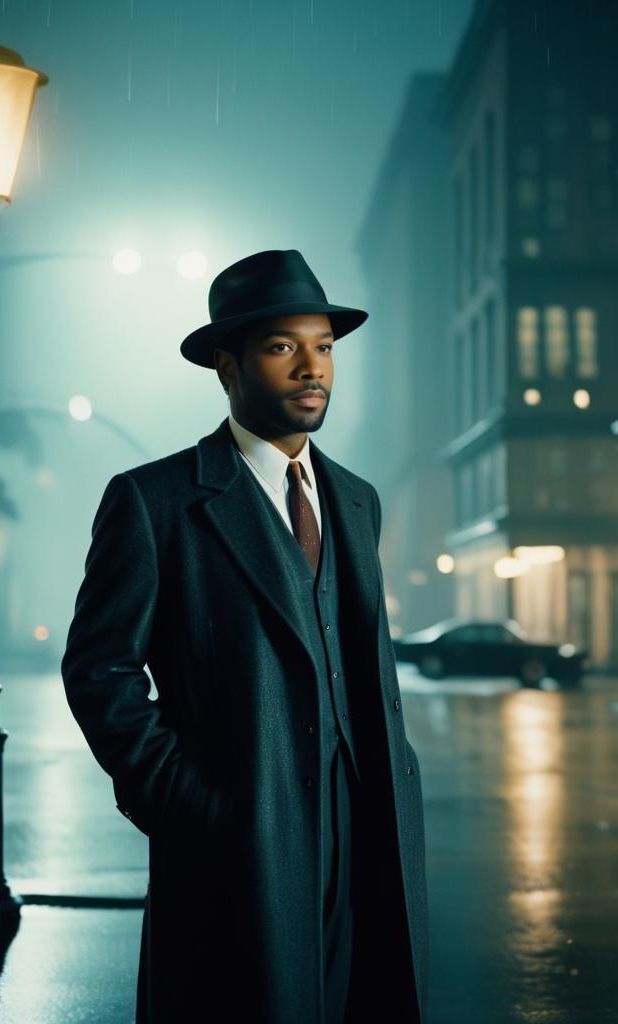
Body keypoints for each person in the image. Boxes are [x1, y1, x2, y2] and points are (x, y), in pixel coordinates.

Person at [61, 249, 428, 1023]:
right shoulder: (155, 501)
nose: (311, 368)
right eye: (281, 347)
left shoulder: (356, 501)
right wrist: (186, 802)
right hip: (239, 831)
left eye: (323, 347)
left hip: (366, 823)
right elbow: (102, 671)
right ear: (226, 365)